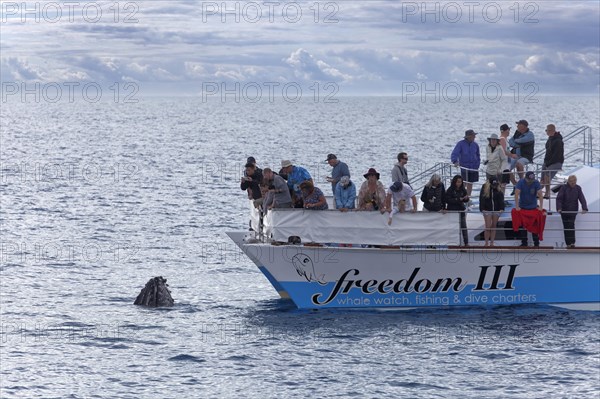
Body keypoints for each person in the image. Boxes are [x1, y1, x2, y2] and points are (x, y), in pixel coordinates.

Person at [556, 175, 588, 248]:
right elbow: (559, 199)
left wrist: (584, 208)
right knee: (566, 226)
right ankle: (568, 243)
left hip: (573, 210)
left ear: (576, 181)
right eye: (571, 181)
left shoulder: (578, 188)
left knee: (571, 225)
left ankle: (572, 243)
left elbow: (582, 198)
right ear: (568, 181)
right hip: (564, 210)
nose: (573, 183)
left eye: (574, 181)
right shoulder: (563, 188)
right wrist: (559, 208)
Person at [514, 171, 544, 247]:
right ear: (525, 178)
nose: (530, 182)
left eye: (532, 180)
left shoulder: (536, 183)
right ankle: (524, 243)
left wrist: (541, 206)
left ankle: (536, 243)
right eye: (529, 180)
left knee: (534, 226)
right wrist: (517, 206)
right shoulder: (521, 182)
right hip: (523, 207)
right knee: (523, 226)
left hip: (533, 207)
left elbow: (540, 194)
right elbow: (516, 194)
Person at [451, 129, 480, 198]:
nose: (474, 137)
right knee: (463, 183)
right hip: (465, 167)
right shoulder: (461, 144)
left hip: (473, 167)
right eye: (473, 136)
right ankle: (461, 196)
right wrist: (455, 161)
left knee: (470, 183)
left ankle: (468, 197)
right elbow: (455, 153)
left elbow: (478, 155)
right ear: (469, 136)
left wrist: (477, 164)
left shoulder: (475, 145)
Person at [479, 177, 505, 246]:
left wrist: (502, 208)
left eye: (496, 185)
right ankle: (486, 242)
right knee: (488, 226)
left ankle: (492, 242)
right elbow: (481, 198)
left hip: (496, 209)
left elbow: (501, 199)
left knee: (493, 226)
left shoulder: (498, 189)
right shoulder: (485, 187)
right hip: (487, 209)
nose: (494, 186)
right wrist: (482, 209)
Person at [445, 175, 470, 246]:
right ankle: (453, 243)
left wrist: (466, 199)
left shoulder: (462, 189)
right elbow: (448, 200)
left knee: (464, 227)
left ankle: (466, 243)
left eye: (460, 182)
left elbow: (466, 198)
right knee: (453, 227)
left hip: (461, 210)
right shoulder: (450, 190)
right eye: (458, 182)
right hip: (452, 210)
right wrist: (458, 199)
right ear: (454, 182)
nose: (459, 184)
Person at [541, 124, 564, 199]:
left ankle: (547, 193)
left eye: (547, 130)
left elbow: (557, 155)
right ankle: (538, 191)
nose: (546, 132)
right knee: (542, 176)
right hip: (548, 161)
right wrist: (546, 162)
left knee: (547, 175)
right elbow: (547, 152)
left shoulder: (558, 141)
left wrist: (548, 163)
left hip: (556, 162)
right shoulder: (550, 139)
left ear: (551, 130)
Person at [499, 124, 515, 193]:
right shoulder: (502, 139)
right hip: (503, 165)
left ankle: (502, 199)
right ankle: (501, 199)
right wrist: (512, 155)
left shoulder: (505, 139)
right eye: (508, 130)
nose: (509, 132)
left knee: (504, 183)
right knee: (502, 183)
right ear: (506, 130)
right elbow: (503, 151)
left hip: (506, 165)